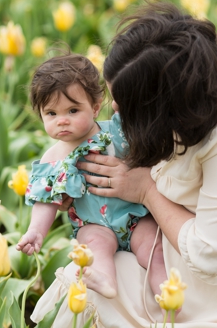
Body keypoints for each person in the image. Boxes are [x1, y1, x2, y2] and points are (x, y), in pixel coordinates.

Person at [29, 2, 217, 328]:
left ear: (161, 105)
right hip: (162, 247)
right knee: (83, 280)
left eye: (126, 102)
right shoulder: (181, 68)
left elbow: (212, 254)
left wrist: (145, 189)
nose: (114, 108)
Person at [16, 54, 166, 299]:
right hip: (93, 224)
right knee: (93, 247)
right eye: (51, 113)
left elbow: (146, 157)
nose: (62, 120)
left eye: (73, 110)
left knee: (153, 248)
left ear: (95, 107)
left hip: (134, 215)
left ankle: (166, 295)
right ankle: (105, 281)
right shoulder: (52, 160)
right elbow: (46, 200)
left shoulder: (117, 133)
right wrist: (36, 231)